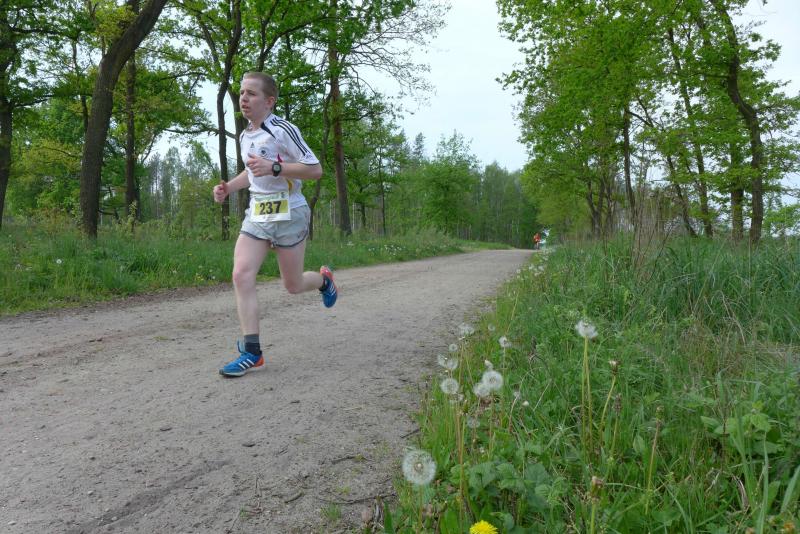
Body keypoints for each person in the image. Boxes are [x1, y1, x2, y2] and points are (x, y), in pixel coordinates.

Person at [212, 71, 337, 377]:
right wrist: (229, 188)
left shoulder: (282, 130)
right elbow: (253, 173)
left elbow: (315, 170)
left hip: (290, 212)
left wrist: (276, 167)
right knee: (241, 274)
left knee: (293, 285)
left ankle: (324, 281)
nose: (243, 98)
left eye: (251, 93)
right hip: (258, 212)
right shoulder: (245, 135)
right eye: (242, 92)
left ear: (269, 102)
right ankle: (252, 352)